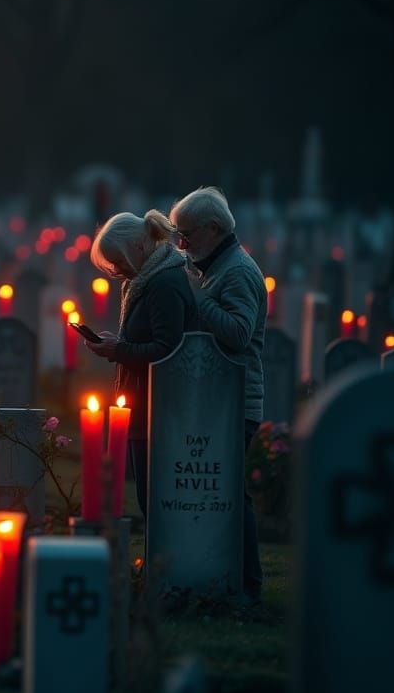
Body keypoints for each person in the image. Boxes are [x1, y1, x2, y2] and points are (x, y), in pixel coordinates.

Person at [169, 186, 267, 604]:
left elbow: (239, 334)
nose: (181, 244)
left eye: (187, 234)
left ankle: (247, 585)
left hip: (236, 401)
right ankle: (212, 572)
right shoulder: (211, 264)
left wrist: (197, 297)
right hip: (214, 399)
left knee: (231, 493)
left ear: (214, 228)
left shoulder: (238, 271)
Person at [83, 210, 198, 518]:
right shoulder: (146, 280)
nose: (117, 272)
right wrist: (117, 344)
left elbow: (169, 349)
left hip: (157, 410)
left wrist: (118, 349)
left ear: (137, 247)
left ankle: (160, 564)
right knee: (148, 500)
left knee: (156, 501)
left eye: (118, 262)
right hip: (143, 406)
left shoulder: (164, 284)